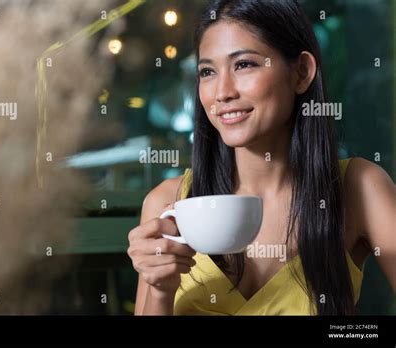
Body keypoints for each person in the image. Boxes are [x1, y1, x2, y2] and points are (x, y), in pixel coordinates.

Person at [127, 0, 395, 315]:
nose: (222, 92)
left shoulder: (359, 187)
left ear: (302, 73)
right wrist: (160, 289)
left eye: (244, 65)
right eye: (208, 71)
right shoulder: (166, 203)